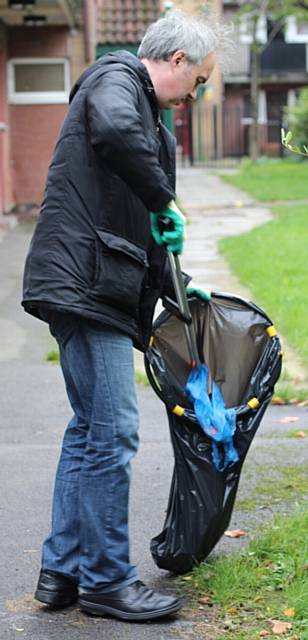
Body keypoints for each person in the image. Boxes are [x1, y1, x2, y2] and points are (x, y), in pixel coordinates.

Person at [22, 10, 228, 622]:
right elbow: (114, 134)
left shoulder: (151, 116)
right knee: (113, 431)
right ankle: (107, 580)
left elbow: (144, 226)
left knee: (90, 431)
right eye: (200, 83)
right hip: (85, 284)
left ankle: (61, 572)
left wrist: (180, 288)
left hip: (98, 283)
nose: (196, 96)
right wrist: (164, 197)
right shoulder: (116, 79)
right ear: (176, 62)